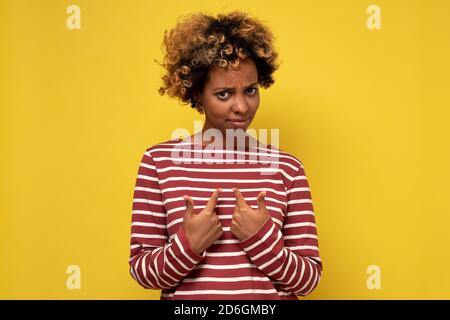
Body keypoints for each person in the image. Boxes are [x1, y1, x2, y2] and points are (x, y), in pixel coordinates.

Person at [128, 10, 322, 300]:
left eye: (251, 90)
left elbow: (308, 281)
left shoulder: (287, 168)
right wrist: (189, 244)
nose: (242, 107)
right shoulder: (159, 163)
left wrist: (261, 240)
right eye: (224, 94)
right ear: (196, 93)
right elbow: (142, 270)